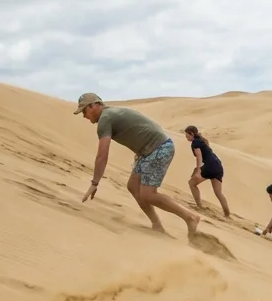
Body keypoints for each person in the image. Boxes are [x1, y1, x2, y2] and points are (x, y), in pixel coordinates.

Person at [74, 92, 202, 236]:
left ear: (94, 106)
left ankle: (190, 217)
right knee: (133, 186)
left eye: (84, 111)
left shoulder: (105, 119)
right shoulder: (111, 113)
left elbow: (102, 155)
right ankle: (157, 225)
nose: (84, 116)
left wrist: (94, 183)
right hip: (148, 150)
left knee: (148, 194)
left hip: (159, 148)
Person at [184, 125, 231, 217]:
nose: (186, 137)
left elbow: (199, 157)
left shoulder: (195, 142)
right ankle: (227, 214)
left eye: (187, 135)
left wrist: (198, 171)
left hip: (210, 166)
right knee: (218, 192)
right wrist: (196, 169)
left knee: (192, 183)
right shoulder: (202, 141)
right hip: (218, 166)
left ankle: (199, 206)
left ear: (192, 134)